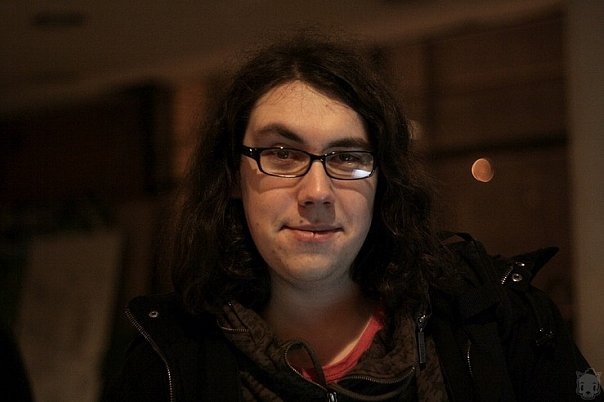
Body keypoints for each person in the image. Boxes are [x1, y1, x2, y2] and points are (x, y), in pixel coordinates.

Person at [104, 35, 601, 401]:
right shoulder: (167, 361)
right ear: (233, 176)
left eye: (346, 157)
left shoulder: (496, 320)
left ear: (384, 180)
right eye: (282, 153)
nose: (317, 192)